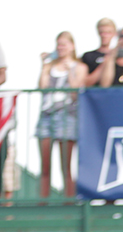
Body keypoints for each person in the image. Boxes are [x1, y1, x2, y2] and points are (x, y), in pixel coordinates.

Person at [35, 32, 87, 198]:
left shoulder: (80, 67)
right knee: (45, 167)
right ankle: (42, 204)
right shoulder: (50, 67)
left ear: (72, 46)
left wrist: (70, 70)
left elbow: (75, 92)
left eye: (64, 44)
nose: (61, 47)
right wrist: (44, 66)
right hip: (46, 115)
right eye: (59, 44)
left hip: (67, 116)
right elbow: (42, 88)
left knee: (66, 167)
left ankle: (68, 203)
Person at [79, 18, 116, 87]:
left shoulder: (118, 56)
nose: (104, 35)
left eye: (108, 32)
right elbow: (84, 82)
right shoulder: (88, 56)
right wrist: (104, 63)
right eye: (102, 32)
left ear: (114, 34)